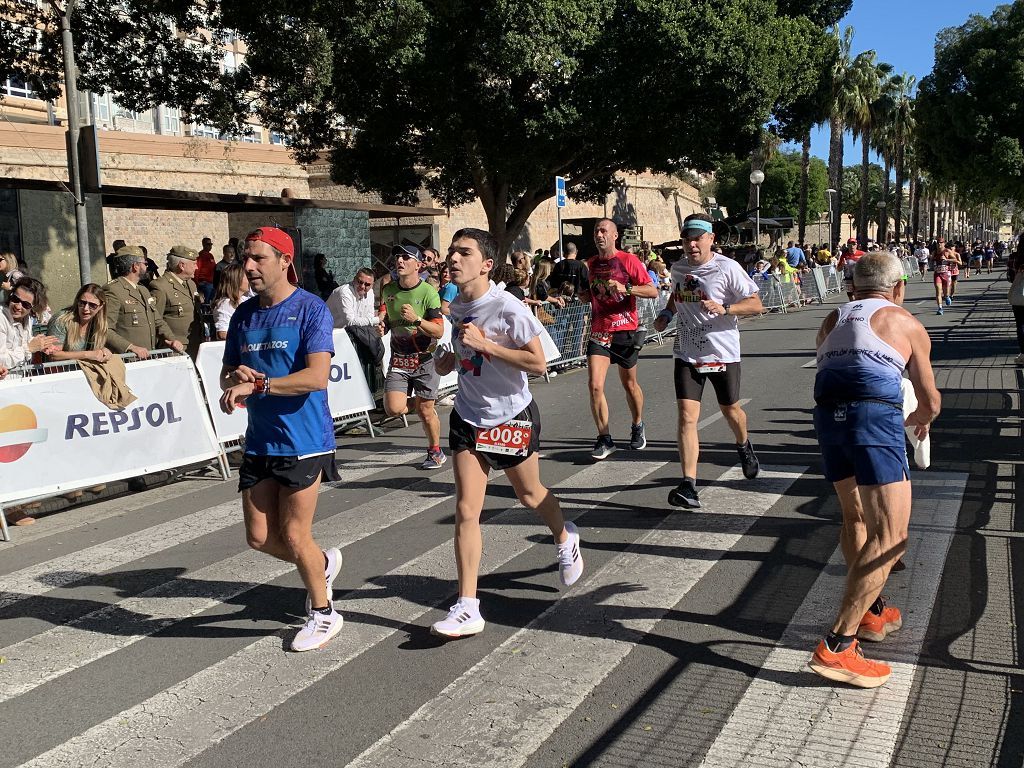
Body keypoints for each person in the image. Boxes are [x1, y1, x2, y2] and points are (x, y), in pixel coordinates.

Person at [430, 227, 583, 637]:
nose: (453, 259)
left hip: (510, 417)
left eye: (463, 252)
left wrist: (487, 346)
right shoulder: (454, 306)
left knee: (530, 494)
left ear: (486, 264)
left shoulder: (508, 307)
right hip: (468, 417)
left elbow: (539, 364)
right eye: (451, 251)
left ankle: (564, 535)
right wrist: (448, 360)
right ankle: (467, 606)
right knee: (466, 510)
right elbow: (461, 354)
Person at [808, 251, 940, 688]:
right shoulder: (904, 322)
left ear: (852, 287)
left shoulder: (832, 319)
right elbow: (931, 400)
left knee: (856, 517)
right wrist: (920, 419)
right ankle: (839, 645)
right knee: (891, 536)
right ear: (898, 287)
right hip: (874, 421)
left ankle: (872, 611)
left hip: (830, 419)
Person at [219, 226, 344, 653]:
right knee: (258, 538)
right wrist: (234, 379)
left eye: (258, 259)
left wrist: (259, 387)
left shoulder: (310, 309)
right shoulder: (243, 315)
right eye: (245, 259)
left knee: (294, 535)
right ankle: (321, 564)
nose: (249, 267)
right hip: (260, 441)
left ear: (285, 261)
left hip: (304, 439)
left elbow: (316, 376)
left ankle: (324, 613)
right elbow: (227, 371)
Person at [654, 214, 763, 508]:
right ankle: (689, 484)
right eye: (687, 238)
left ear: (711, 239)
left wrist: (725, 307)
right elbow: (677, 296)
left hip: (722, 353)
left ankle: (743, 444)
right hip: (687, 353)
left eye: (697, 238)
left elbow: (756, 304)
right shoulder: (677, 268)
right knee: (687, 418)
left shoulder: (727, 268)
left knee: (731, 411)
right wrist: (666, 314)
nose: (691, 244)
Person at [582, 218, 659, 459]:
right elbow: (588, 295)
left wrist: (626, 289)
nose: (599, 234)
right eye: (596, 231)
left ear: (614, 236)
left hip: (625, 330)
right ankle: (604, 438)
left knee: (630, 384)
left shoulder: (628, 260)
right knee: (595, 385)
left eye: (604, 230)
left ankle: (637, 424)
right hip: (599, 331)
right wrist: (582, 295)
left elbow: (652, 290)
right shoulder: (590, 264)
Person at [379, 244, 447, 469]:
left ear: (418, 265)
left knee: (426, 411)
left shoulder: (428, 291)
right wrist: (384, 325)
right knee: (394, 409)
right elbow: (389, 319)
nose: (400, 260)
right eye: (398, 256)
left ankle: (435, 451)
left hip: (425, 359)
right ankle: (423, 404)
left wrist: (417, 319)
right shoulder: (388, 290)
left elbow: (438, 331)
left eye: (406, 257)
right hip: (399, 358)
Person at [104, 246, 183, 359]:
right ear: (135, 266)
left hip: (147, 356)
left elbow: (157, 321)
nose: (147, 266)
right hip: (128, 359)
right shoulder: (113, 290)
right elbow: (106, 329)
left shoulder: (143, 290)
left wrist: (172, 339)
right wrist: (131, 347)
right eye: (145, 263)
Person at [150, 245, 205, 359]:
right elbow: (155, 319)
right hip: (175, 349)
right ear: (182, 266)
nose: (196, 267)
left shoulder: (191, 284)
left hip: (194, 343)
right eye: (194, 264)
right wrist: (170, 340)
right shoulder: (161, 286)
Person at [1, 277, 58, 370]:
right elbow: (1, 361)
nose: (18, 306)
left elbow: (21, 342)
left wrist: (39, 344)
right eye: (15, 299)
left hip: (20, 379)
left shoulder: (27, 318)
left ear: (33, 307)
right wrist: (28, 348)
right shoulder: (1, 318)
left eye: (25, 304)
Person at [46, 283, 111, 363]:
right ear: (77, 301)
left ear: (101, 306)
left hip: (86, 371)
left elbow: (95, 352)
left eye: (92, 305)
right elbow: (53, 355)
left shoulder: (100, 323)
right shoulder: (61, 320)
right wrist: (86, 355)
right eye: (82, 303)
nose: (85, 308)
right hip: (62, 372)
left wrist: (103, 351)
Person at [212, 263, 250, 340]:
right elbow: (222, 333)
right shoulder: (226, 304)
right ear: (237, 280)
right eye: (246, 277)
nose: (250, 279)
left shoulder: (243, 300)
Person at [196, 237, 217, 304]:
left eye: (211, 244)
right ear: (203, 244)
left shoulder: (211, 255)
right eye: (208, 244)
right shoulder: (201, 255)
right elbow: (197, 269)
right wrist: (196, 283)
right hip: (204, 283)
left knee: (212, 301)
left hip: (212, 283)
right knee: (206, 303)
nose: (210, 246)